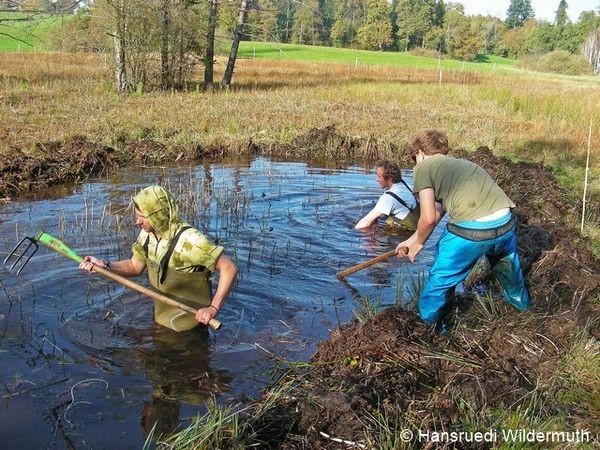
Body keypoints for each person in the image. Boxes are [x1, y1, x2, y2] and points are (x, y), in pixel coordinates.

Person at [395, 129, 529, 329]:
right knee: (508, 267)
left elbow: (428, 217)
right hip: (506, 224)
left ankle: (428, 326)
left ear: (420, 153)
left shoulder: (423, 168)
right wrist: (412, 239)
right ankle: (524, 309)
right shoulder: (462, 165)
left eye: (415, 158)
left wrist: (420, 244)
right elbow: (438, 211)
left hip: (471, 233)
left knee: (441, 280)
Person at [79, 185, 237, 332]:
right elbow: (134, 267)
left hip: (190, 326)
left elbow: (229, 268)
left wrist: (213, 308)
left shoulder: (190, 241)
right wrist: (103, 265)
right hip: (162, 319)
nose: (137, 222)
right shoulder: (147, 235)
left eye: (143, 217)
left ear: (158, 214)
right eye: (137, 216)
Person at [355, 159, 419, 232]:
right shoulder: (406, 184)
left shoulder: (388, 198)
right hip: (418, 226)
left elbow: (366, 221)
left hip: (404, 234)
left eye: (379, 177)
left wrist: (354, 231)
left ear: (389, 179)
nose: (376, 179)